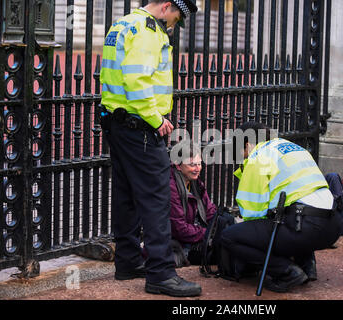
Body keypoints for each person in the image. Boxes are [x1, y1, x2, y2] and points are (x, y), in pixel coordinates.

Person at [99, 0, 202, 297]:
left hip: (117, 121)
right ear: (167, 5)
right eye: (176, 17)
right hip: (140, 125)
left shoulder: (123, 23)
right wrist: (155, 119)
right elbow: (137, 77)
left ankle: (129, 261)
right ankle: (160, 273)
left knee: (126, 192)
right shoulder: (146, 30)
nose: (174, 25)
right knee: (157, 198)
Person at [220, 122, 343, 293]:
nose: (243, 159)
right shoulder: (293, 148)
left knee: (229, 237)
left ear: (247, 144)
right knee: (289, 214)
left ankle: (287, 272)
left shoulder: (258, 157)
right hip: (334, 225)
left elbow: (252, 214)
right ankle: (307, 266)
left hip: (307, 227)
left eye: (241, 153)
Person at [169, 142, 217, 266]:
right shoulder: (170, 187)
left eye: (199, 164)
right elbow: (179, 229)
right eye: (192, 164)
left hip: (195, 237)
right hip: (178, 243)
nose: (197, 169)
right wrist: (208, 233)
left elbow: (210, 210)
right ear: (178, 165)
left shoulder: (195, 183)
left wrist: (219, 227)